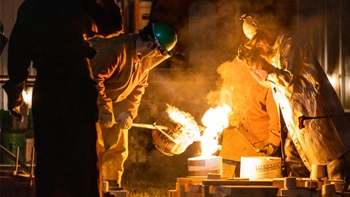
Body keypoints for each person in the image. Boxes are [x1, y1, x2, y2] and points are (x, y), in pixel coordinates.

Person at [2, 0, 122, 196]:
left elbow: (17, 57)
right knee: (83, 159)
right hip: (77, 86)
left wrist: (16, 98)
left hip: (48, 90)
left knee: (49, 159)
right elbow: (112, 26)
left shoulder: (31, 7)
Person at [236, 13, 350, 186]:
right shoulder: (273, 50)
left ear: (267, 31)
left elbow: (286, 78)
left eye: (258, 40)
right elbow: (270, 83)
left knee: (335, 172)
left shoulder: (291, 43)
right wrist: (253, 65)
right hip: (298, 122)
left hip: (319, 118)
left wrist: (261, 64)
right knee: (294, 166)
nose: (258, 45)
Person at [88, 22, 177, 192]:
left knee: (119, 146)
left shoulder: (143, 60)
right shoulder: (116, 50)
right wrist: (103, 109)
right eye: (158, 52)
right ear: (151, 45)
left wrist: (128, 111)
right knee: (95, 147)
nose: (155, 56)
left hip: (111, 103)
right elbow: (94, 79)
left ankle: (111, 186)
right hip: (88, 102)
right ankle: (90, 188)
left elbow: (138, 88)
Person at [216, 58, 281, 178]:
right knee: (226, 189)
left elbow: (276, 117)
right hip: (232, 148)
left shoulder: (266, 81)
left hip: (258, 151)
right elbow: (223, 102)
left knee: (254, 190)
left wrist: (273, 143)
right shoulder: (234, 69)